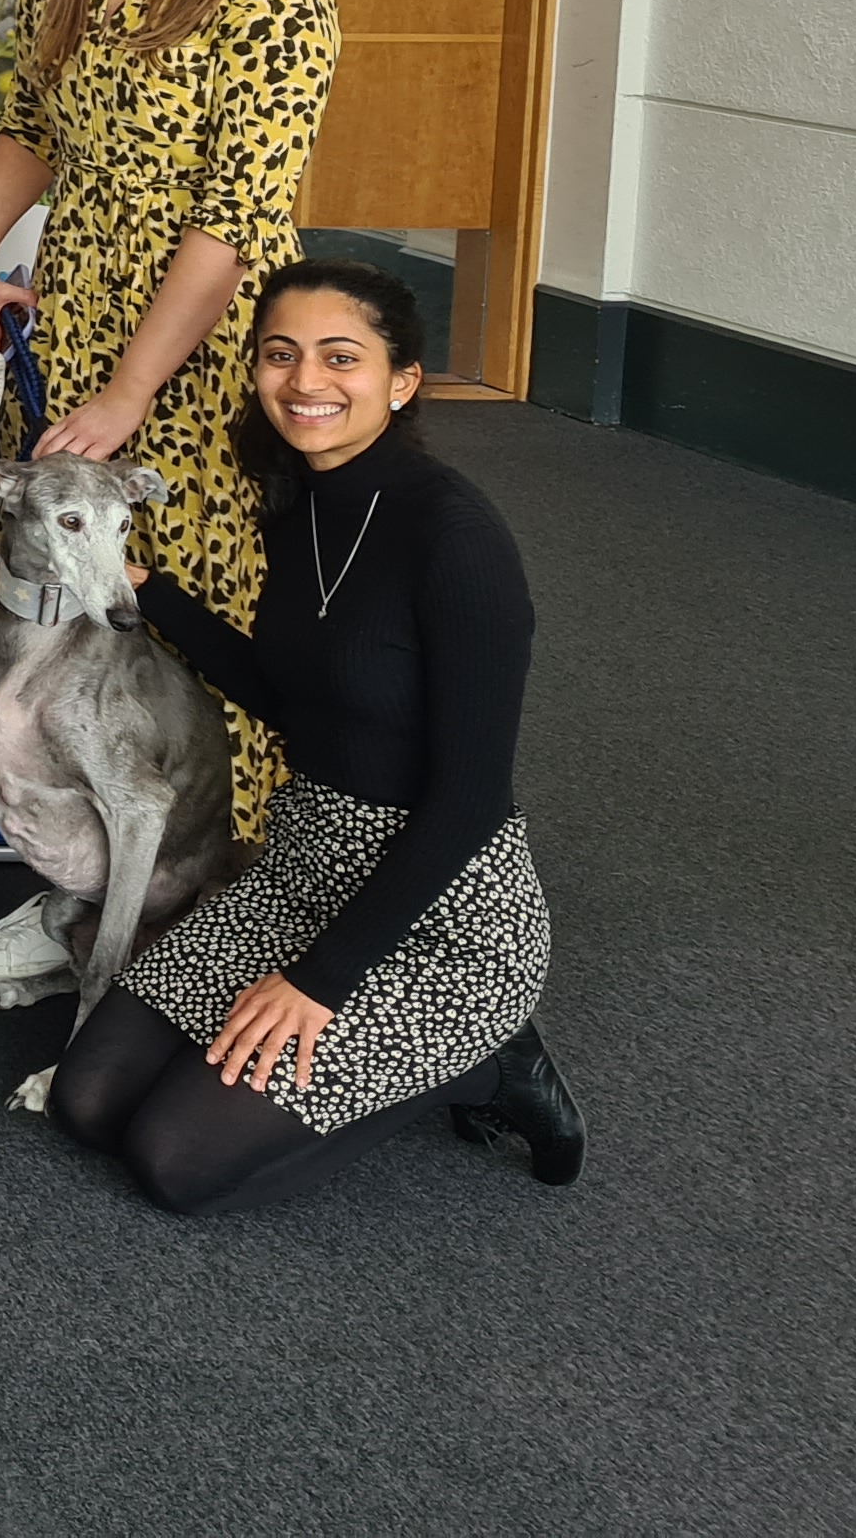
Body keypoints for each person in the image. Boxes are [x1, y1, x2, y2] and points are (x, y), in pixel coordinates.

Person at [0, 0, 341, 995]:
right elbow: (28, 118)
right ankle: (80, 905)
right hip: (78, 318)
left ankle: (224, 919)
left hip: (203, 353)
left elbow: (239, 215)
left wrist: (130, 392)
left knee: (186, 624)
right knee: (60, 627)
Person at [51, 258, 584, 1212]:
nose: (306, 383)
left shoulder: (458, 539)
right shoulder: (299, 507)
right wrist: (153, 593)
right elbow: (300, 701)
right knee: (86, 1103)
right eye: (280, 355)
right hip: (302, 871)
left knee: (174, 1160)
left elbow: (467, 801)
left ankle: (492, 1063)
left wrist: (320, 980)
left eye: (342, 358)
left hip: (442, 915)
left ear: (403, 380)